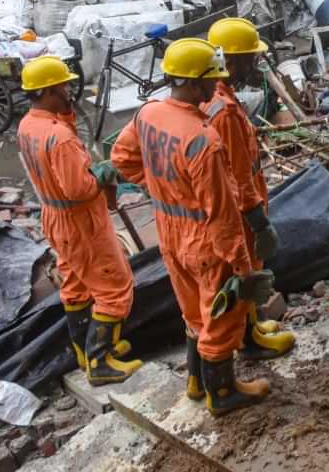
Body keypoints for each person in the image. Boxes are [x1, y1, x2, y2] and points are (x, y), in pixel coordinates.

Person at [111, 38, 273, 417]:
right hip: (203, 238)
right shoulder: (203, 140)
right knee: (221, 314)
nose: (214, 88)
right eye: (209, 82)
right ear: (195, 82)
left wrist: (163, 190)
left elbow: (122, 159)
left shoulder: (148, 114)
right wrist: (242, 266)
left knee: (193, 312)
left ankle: (197, 383)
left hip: (169, 231)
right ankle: (224, 393)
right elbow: (221, 213)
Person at [15, 56, 142, 386]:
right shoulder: (60, 138)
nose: (70, 90)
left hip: (55, 217)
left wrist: (67, 112)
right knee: (115, 286)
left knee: (76, 285)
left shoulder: (30, 125)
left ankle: (85, 352)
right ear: (47, 90)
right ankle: (100, 361)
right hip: (80, 220)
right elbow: (80, 188)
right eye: (64, 87)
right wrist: (102, 173)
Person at [203, 17, 294, 359]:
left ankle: (251, 328)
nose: (255, 65)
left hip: (235, 207)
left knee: (248, 271)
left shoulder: (218, 98)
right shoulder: (223, 112)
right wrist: (259, 221)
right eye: (250, 58)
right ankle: (248, 344)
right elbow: (239, 177)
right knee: (243, 273)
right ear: (230, 61)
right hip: (239, 212)